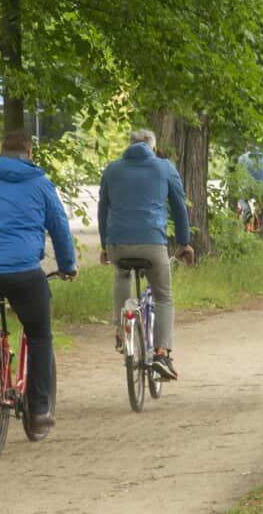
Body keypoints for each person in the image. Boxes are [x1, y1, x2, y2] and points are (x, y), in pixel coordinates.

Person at [0, 129, 76, 437]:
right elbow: (60, 228)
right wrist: (67, 266)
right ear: (29, 153)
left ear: (0, 151)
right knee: (38, 335)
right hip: (22, 272)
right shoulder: (39, 182)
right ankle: (38, 411)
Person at [98, 129, 195, 380]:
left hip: (118, 243)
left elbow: (103, 210)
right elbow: (179, 208)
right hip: (152, 243)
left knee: (121, 274)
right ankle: (162, 353)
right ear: (153, 147)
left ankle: (121, 329)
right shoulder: (164, 168)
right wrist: (184, 243)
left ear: (129, 145)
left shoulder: (112, 169)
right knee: (163, 296)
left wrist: (104, 246)